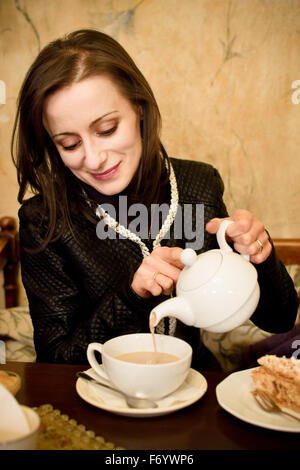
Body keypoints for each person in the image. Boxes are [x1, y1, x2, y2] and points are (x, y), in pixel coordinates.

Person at [12, 29, 299, 369]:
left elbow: (278, 320)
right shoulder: (44, 219)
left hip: (192, 387)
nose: (93, 159)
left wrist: (259, 253)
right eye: (69, 144)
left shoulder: (198, 185)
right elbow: (55, 359)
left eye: (106, 129)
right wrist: (131, 297)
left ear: (139, 108)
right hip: (99, 400)